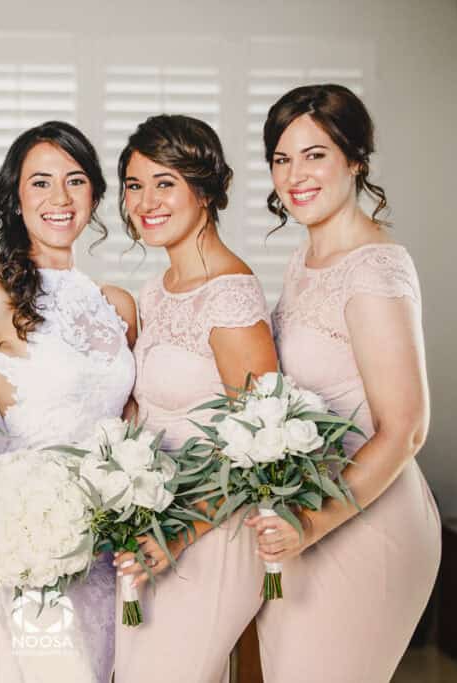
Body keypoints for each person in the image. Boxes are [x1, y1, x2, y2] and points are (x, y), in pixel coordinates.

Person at [250, 84, 441, 683]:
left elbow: (405, 429)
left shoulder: (374, 268)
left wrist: (310, 525)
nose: (294, 175)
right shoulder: (304, 259)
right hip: (304, 524)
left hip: (363, 523)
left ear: (355, 159)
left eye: (315, 155)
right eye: (281, 159)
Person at [0, 121, 136, 682]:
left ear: (94, 194)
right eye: (41, 183)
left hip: (113, 552)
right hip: (38, 553)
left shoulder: (117, 305)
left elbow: (130, 420)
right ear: (16, 198)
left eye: (75, 180)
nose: (60, 198)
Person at [112, 114, 277, 683]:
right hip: (152, 523)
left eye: (165, 183)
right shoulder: (155, 291)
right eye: (134, 185)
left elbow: (263, 444)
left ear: (204, 190)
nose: (145, 202)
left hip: (210, 531)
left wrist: (181, 532)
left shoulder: (230, 296)